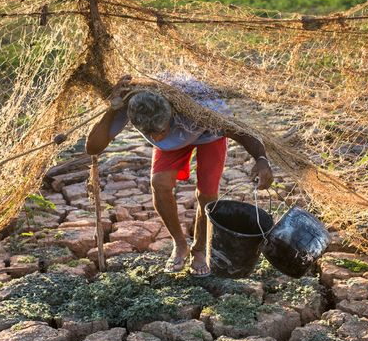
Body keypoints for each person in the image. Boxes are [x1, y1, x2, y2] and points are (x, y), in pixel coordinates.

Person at [85, 74, 273, 276]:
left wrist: (261, 159)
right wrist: (111, 110)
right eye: (149, 133)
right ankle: (180, 244)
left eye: (160, 131)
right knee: (160, 184)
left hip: (208, 135)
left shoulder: (202, 111)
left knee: (207, 194)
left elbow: (240, 131)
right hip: (173, 143)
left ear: (172, 113)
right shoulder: (131, 101)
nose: (156, 137)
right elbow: (92, 147)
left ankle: (199, 249)